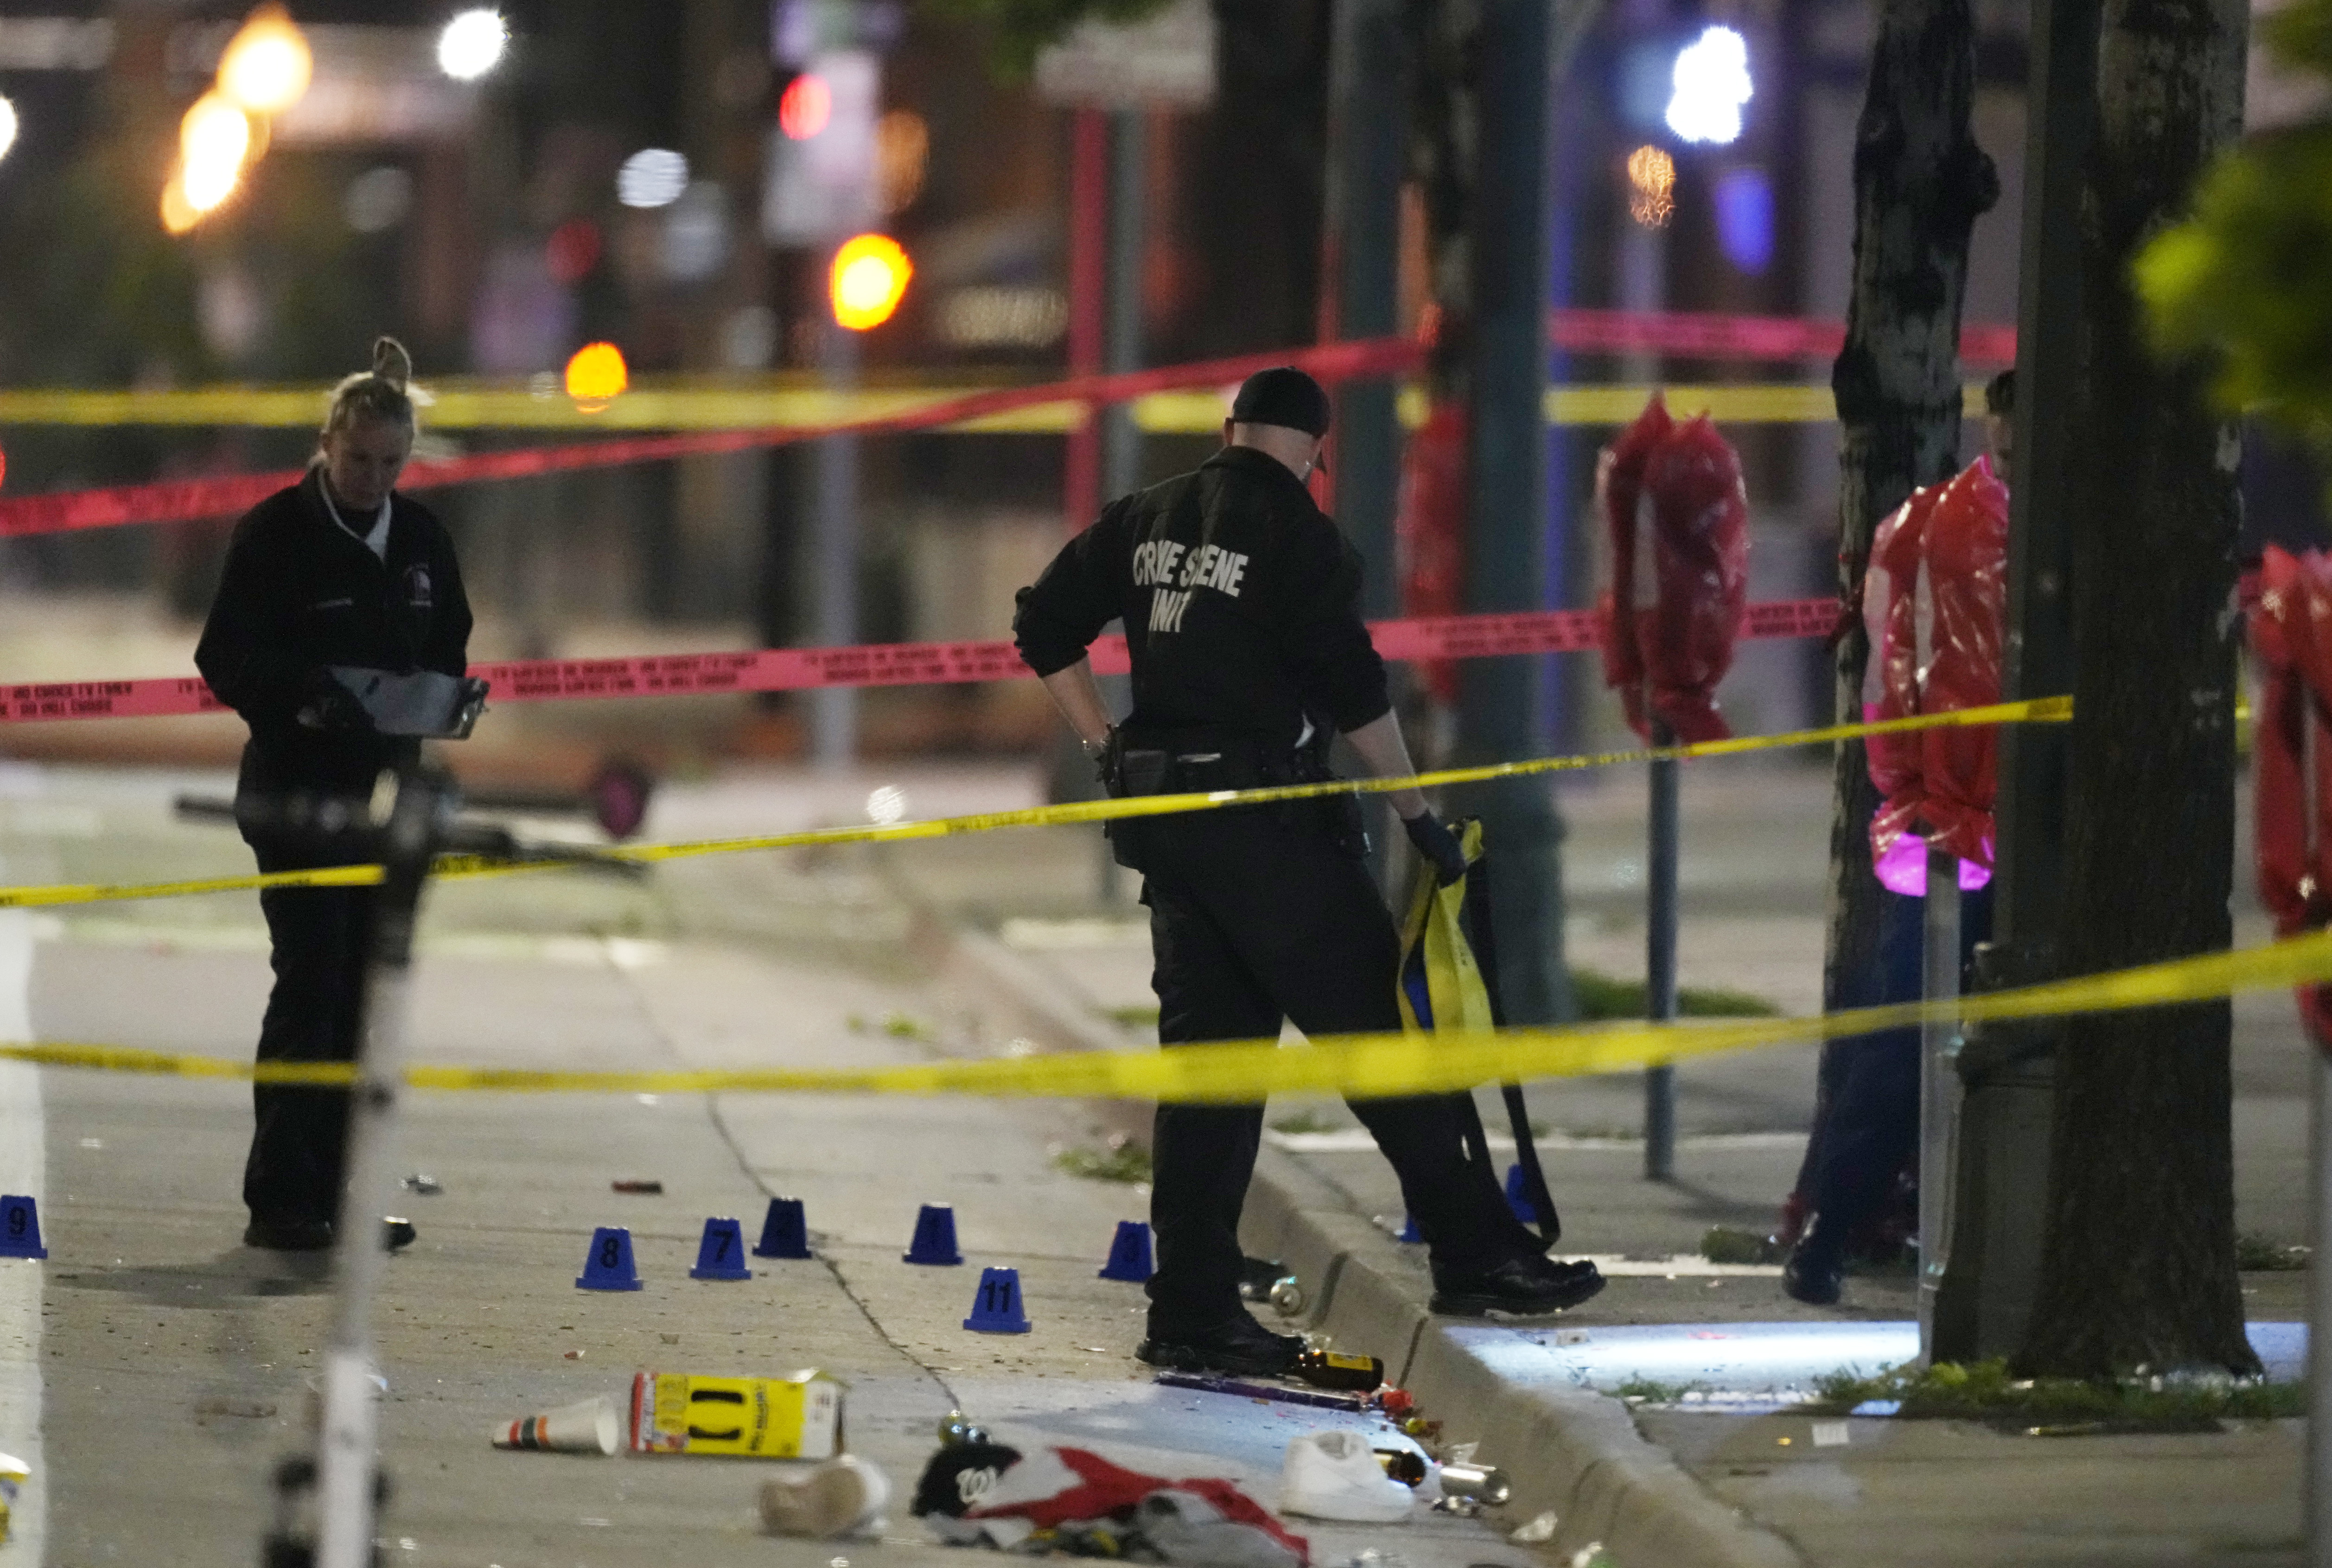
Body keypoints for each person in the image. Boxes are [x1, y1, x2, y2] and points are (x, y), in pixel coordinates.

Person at [1013, 366, 1606, 1375]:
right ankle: (1478, 1254)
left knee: (1209, 1074)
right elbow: (1354, 689)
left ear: (1230, 429)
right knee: (1381, 1038)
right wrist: (1415, 811)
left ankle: (1192, 1306)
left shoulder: (1145, 515)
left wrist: (1106, 742)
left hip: (1171, 827)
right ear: (1312, 454)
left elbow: (1042, 625)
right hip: (1271, 830)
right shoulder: (1301, 538)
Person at [196, 337, 474, 1253]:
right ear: (326, 444)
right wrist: (304, 695)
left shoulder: (423, 543)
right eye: (358, 460)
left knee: (365, 999)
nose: (372, 478)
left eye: (390, 464)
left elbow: (447, 647)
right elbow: (224, 656)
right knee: (310, 985)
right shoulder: (275, 535)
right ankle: (283, 1200)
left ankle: (345, 1198)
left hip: (389, 801)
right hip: (297, 799)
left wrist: (448, 699)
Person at [1777, 369, 2011, 1304]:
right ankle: (1833, 1230)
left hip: (2007, 819)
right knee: (1900, 1045)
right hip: (1952, 825)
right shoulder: (1932, 528)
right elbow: (1891, 669)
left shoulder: (2062, 526)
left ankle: (1872, 1232)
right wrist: (1912, 796)